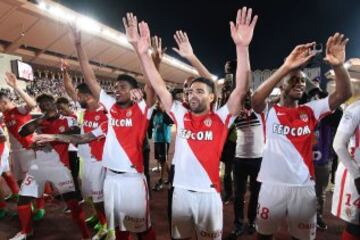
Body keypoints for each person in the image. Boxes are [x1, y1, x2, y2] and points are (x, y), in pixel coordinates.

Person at [127, 7, 257, 239]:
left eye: (199, 91)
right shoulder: (179, 112)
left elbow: (241, 89)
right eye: (189, 91)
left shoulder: (221, 118)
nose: (192, 95)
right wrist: (142, 52)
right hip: (181, 194)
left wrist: (242, 47)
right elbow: (157, 85)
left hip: (208, 195)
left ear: (211, 97)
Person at [251, 33, 352, 240]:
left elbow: (343, 94)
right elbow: (255, 100)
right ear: (281, 86)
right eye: (293, 80)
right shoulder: (269, 110)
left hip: (304, 187)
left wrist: (338, 66)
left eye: (302, 82)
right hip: (271, 186)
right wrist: (287, 66)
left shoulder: (311, 110)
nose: (300, 84)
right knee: (263, 236)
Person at [64, 23, 156, 240]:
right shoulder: (111, 108)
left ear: (134, 90)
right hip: (111, 179)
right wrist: (79, 45)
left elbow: (151, 85)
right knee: (120, 228)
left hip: (133, 179)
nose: (117, 89)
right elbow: (90, 80)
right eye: (116, 86)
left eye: (122, 86)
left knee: (141, 229)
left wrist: (141, 51)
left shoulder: (142, 109)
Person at [10, 93, 91, 240]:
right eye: (42, 105)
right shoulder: (39, 122)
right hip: (38, 167)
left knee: (73, 203)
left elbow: (78, 135)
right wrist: (41, 120)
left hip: (60, 168)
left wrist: (53, 137)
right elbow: (22, 132)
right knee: (23, 200)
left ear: (54, 103)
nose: (45, 106)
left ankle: (86, 235)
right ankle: (26, 231)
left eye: (48, 103)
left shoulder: (68, 120)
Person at [61, 60, 109, 240]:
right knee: (90, 195)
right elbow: (69, 90)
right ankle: (99, 218)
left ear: (87, 96)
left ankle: (107, 227)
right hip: (84, 159)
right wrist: (65, 71)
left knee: (100, 198)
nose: (76, 98)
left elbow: (86, 137)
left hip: (98, 161)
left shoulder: (104, 113)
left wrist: (55, 137)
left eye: (79, 96)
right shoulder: (83, 110)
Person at [1, 73, 45, 220]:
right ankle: (29, 206)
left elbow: (32, 105)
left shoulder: (18, 110)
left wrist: (16, 87)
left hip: (27, 151)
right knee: (20, 181)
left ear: (3, 103)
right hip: (15, 152)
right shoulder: (5, 116)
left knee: (33, 179)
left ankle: (40, 207)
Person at [227, 89, 264, 239]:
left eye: (250, 96)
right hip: (240, 159)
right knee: (238, 194)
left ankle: (252, 221)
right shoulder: (236, 114)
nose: (248, 99)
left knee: (256, 193)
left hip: (258, 159)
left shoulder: (261, 111)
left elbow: (262, 101)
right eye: (245, 96)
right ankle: (238, 223)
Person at [332, 99, 360, 240]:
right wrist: (357, 176)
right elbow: (338, 144)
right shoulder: (355, 109)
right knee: (356, 225)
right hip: (356, 175)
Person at [150, 100, 172, 191]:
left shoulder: (167, 114)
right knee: (161, 160)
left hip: (164, 140)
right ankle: (171, 177)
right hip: (157, 140)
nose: (157, 105)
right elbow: (152, 125)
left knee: (163, 160)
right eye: (157, 103)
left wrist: (164, 110)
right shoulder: (155, 114)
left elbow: (170, 122)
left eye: (159, 103)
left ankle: (161, 181)